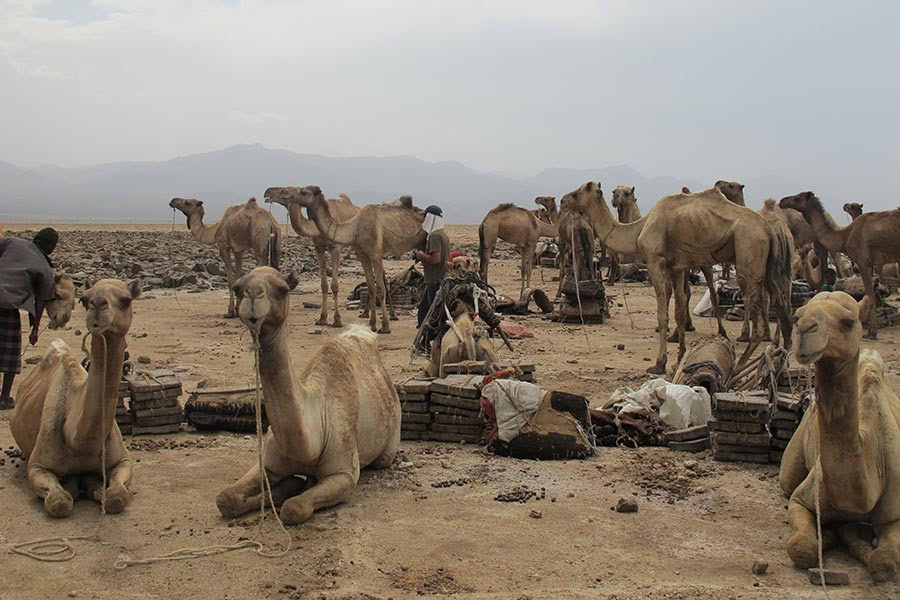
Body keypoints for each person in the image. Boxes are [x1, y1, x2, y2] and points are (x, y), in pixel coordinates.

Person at [0, 228, 59, 409]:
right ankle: (4, 399)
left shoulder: (11, 242)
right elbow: (41, 300)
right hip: (7, 308)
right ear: (51, 248)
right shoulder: (44, 268)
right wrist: (35, 329)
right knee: (9, 355)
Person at [415, 205, 450, 328]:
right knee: (424, 310)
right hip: (439, 278)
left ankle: (430, 335)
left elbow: (436, 259)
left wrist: (420, 255)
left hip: (435, 279)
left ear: (431, 218)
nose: (424, 219)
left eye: (425, 216)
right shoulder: (442, 234)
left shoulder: (435, 236)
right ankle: (423, 333)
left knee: (432, 312)